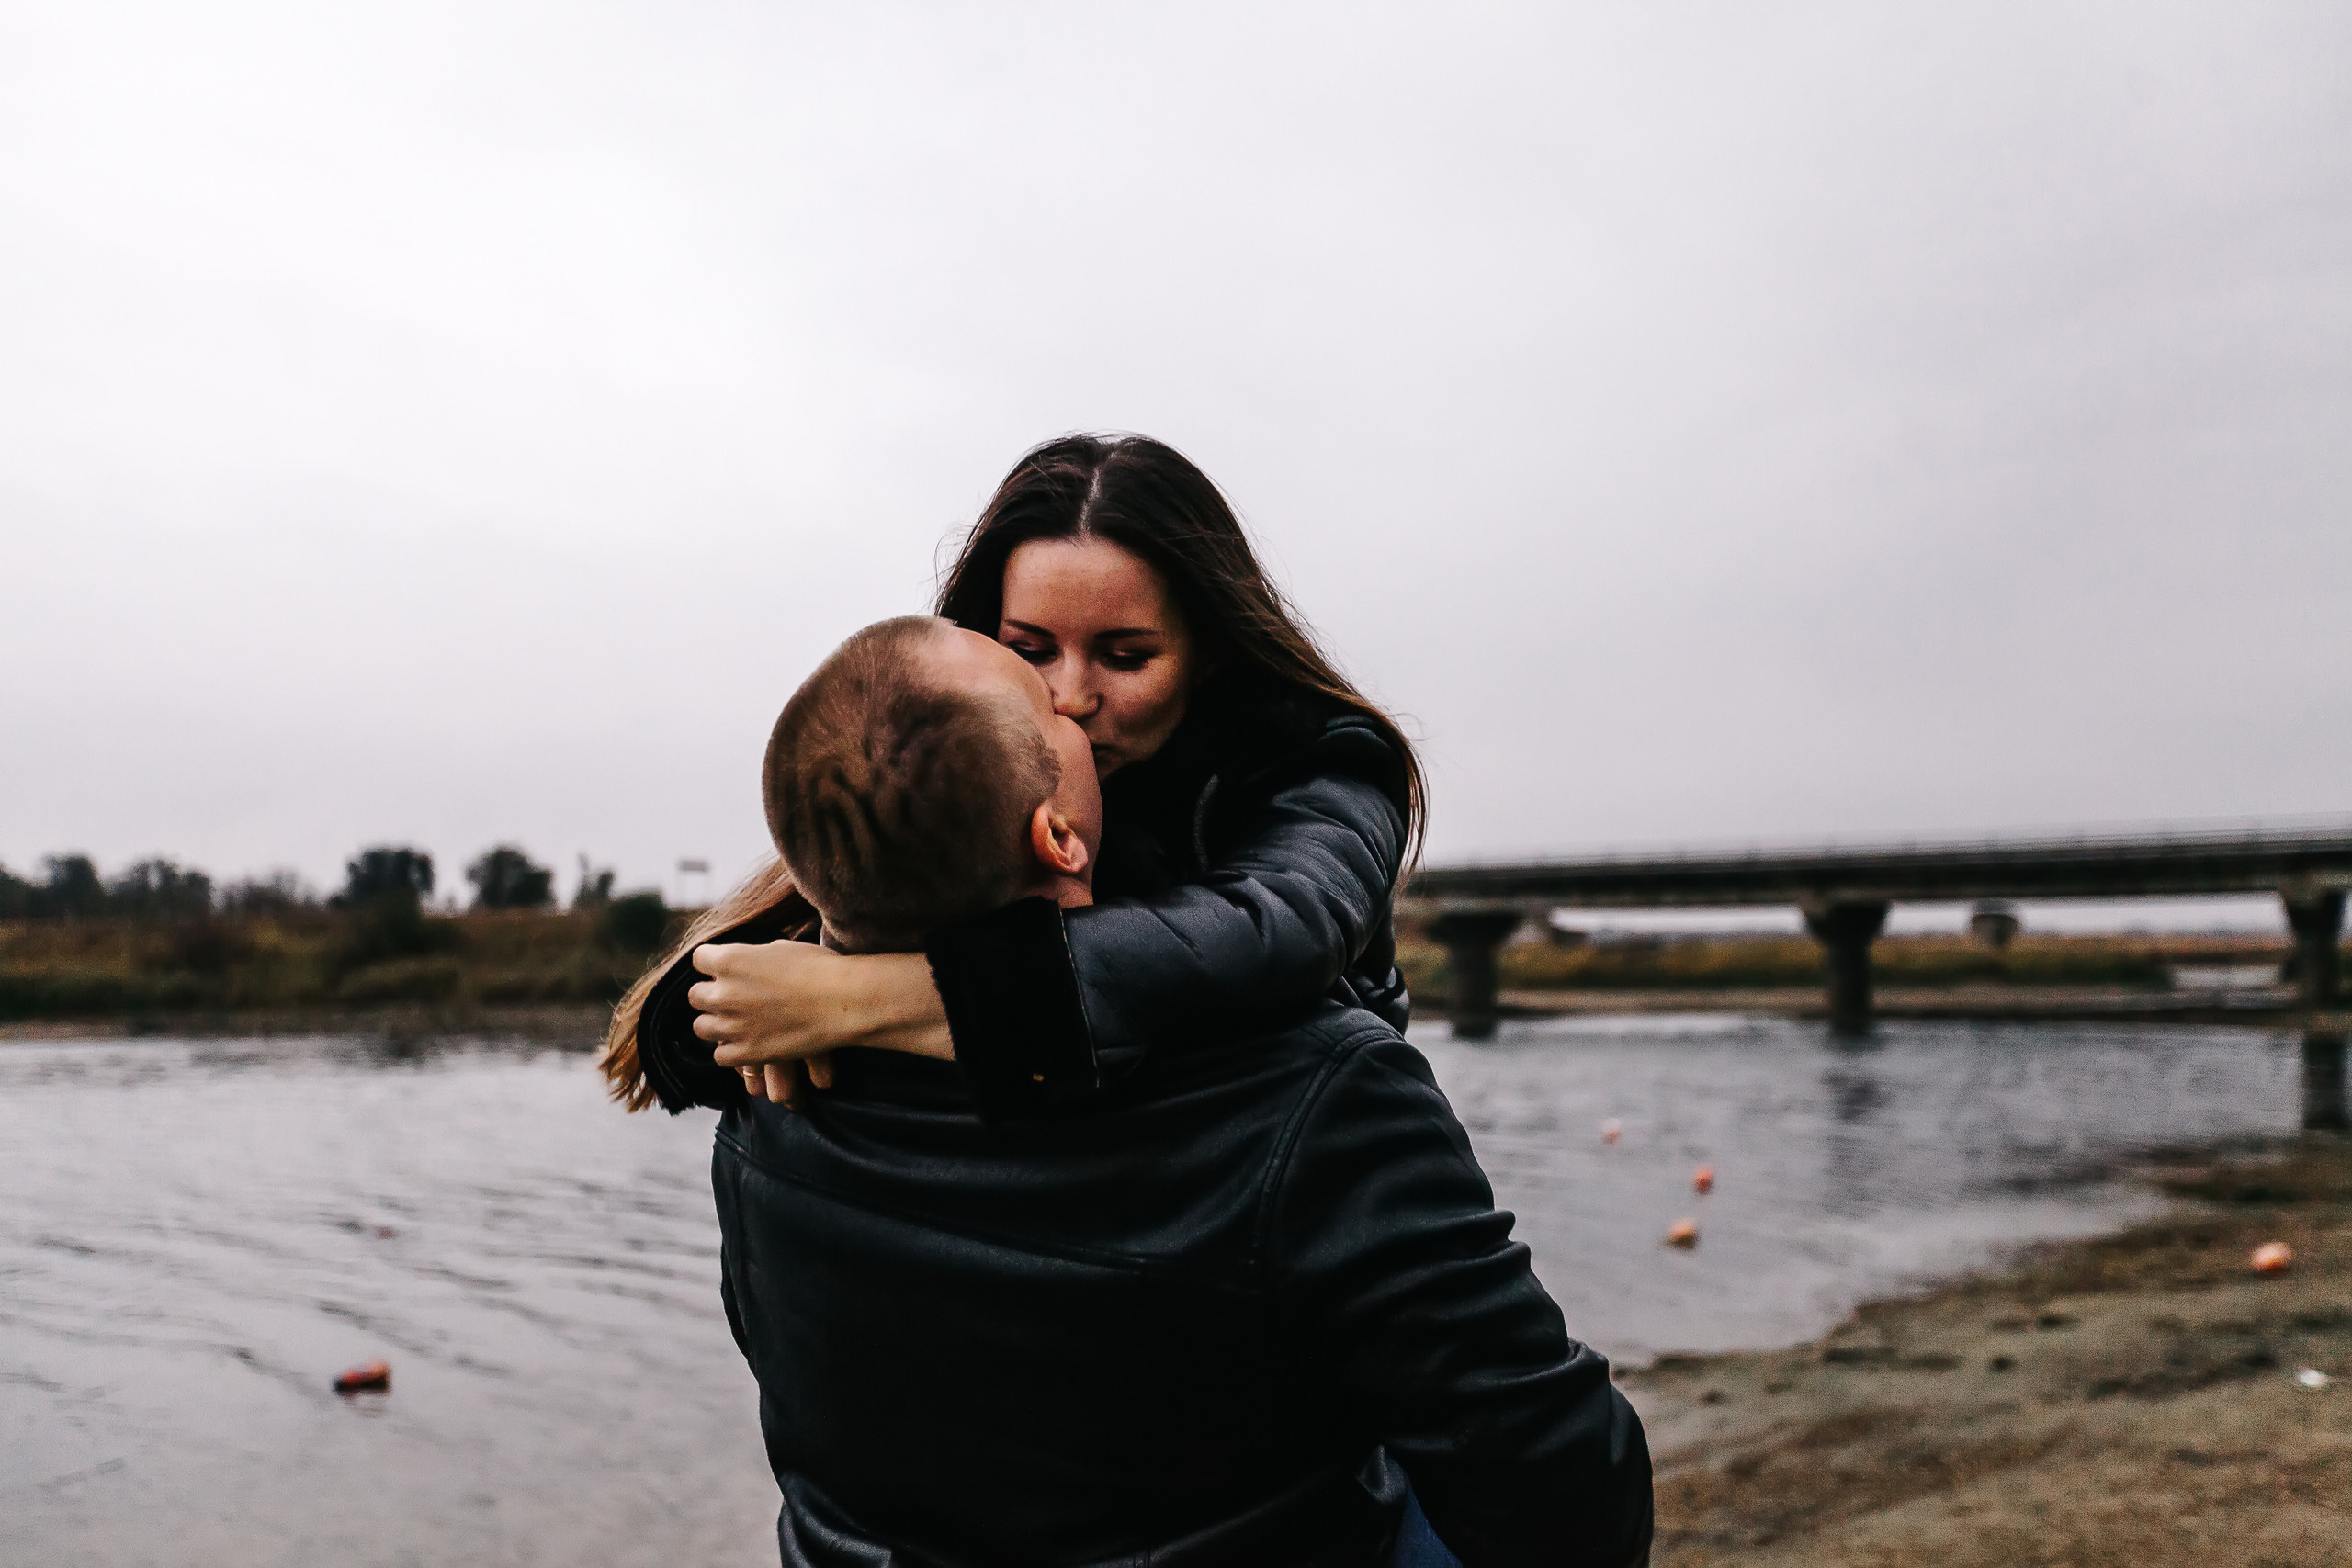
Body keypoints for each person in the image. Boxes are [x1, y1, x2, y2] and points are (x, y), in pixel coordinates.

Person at [701, 615, 1653, 1567]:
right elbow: (1567, 1496)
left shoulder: (763, 1080)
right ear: (1057, 834)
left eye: (1122, 657)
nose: (1074, 700)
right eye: (1038, 684)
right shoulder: (1317, 1094)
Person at [596, 434, 1419, 1118]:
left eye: (1126, 656)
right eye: (1030, 649)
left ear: (1207, 652)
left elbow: (1274, 934)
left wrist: (861, 999)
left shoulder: (1327, 763)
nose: (1071, 695)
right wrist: (738, 1014)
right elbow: (700, 1014)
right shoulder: (968, 767)